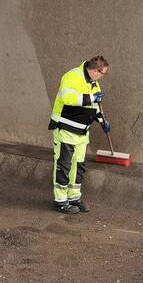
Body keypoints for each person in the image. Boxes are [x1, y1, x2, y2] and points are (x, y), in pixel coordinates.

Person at [48, 55, 111, 213]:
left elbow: (96, 106)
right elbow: (67, 98)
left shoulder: (93, 83)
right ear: (95, 71)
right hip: (66, 129)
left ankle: (74, 198)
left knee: (78, 166)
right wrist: (92, 97)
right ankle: (60, 201)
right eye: (103, 73)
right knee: (64, 166)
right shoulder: (72, 76)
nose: (103, 77)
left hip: (82, 133)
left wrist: (102, 120)